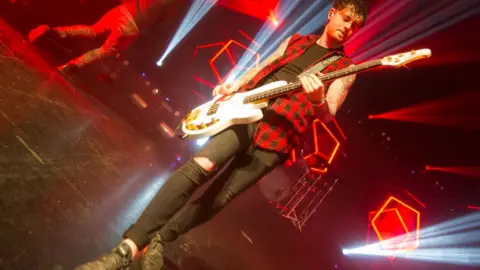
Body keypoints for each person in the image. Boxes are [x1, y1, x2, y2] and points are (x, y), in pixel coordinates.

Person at [75, 0, 369, 269]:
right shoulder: (296, 41)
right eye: (345, 19)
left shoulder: (345, 68)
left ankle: (161, 239)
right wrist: (233, 87)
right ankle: (129, 247)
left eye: (355, 26)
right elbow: (263, 67)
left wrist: (317, 98)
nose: (348, 28)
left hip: (279, 138)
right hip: (247, 112)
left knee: (219, 198)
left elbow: (328, 112)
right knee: (199, 167)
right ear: (332, 14)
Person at [27, 0, 169, 72]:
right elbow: (161, 25)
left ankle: (51, 31)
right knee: (104, 51)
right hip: (133, 25)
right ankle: (70, 66)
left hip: (123, 10)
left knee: (93, 30)